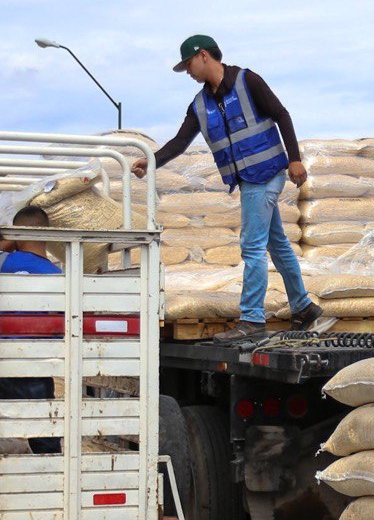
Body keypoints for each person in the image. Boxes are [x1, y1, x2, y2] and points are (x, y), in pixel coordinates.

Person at [132, 34, 322, 343]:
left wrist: (295, 159)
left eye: (189, 64)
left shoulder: (248, 81)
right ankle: (302, 305)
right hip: (247, 178)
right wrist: (151, 161)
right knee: (275, 243)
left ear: (204, 56)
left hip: (267, 172)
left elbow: (281, 114)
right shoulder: (200, 105)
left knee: (252, 245)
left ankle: (252, 320)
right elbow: (181, 142)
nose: (188, 72)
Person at [0, 206, 63, 458]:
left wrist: (5, 243)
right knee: (44, 438)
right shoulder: (56, 275)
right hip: (34, 366)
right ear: (45, 234)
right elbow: (58, 325)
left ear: (17, 234)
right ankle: (51, 482)